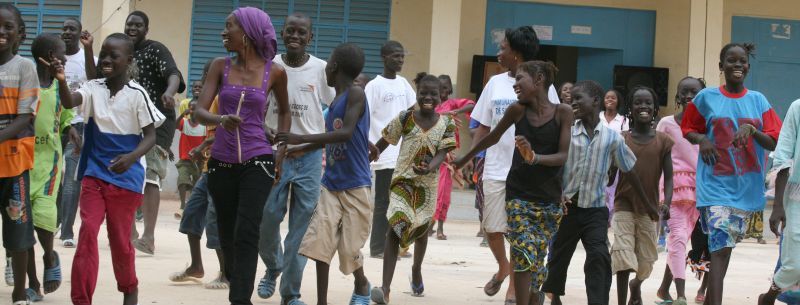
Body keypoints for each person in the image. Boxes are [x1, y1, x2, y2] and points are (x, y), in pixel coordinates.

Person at [56, 32, 165, 305]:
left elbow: (151, 136)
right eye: (103, 54)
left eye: (113, 56)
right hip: (94, 172)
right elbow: (69, 102)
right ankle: (81, 299)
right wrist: (60, 81)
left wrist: (131, 157)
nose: (106, 59)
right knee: (88, 231)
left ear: (128, 61)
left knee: (119, 239)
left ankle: (129, 288)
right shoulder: (94, 88)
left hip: (126, 177)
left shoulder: (137, 94)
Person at [192, 7, 289, 305]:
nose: (224, 32)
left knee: (247, 230)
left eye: (229, 27)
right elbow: (199, 112)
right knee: (227, 232)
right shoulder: (219, 67)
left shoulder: (274, 71)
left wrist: (280, 153)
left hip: (258, 157)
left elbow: (285, 111)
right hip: (220, 161)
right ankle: (236, 280)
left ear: (246, 34)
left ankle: (239, 300)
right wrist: (220, 120)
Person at [455, 61, 573, 305]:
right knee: (522, 255)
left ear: (538, 80)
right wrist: (464, 159)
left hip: (549, 200)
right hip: (518, 195)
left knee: (537, 264)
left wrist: (534, 157)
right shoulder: (517, 110)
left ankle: (532, 296)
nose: (515, 84)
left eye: (520, 79)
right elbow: (492, 136)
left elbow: (563, 155)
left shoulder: (563, 112)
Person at [681, 42, 782, 305]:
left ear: (748, 66)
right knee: (721, 247)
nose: (738, 65)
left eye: (742, 61)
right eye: (731, 61)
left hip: (745, 189)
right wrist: (702, 139)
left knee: (724, 249)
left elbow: (774, 141)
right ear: (721, 66)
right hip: (713, 185)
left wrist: (752, 130)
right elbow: (688, 127)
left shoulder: (758, 101)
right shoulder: (707, 98)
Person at [275, 43, 373, 305]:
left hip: (356, 184)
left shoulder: (355, 94)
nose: (325, 69)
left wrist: (300, 135)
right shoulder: (335, 103)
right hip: (330, 184)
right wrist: (299, 148)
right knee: (320, 244)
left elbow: (346, 133)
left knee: (350, 248)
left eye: (328, 64)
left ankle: (362, 285)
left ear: (333, 68)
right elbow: (328, 140)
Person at [470, 25, 560, 304]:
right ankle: (503, 268)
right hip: (495, 168)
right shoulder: (494, 84)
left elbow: (554, 126)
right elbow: (483, 126)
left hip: (528, 173)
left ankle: (514, 290)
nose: (498, 53)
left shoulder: (546, 87)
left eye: (503, 48)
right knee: (493, 227)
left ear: (517, 53)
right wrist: (475, 157)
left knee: (519, 232)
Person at [85, 10, 185, 255]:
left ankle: (148, 238)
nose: (132, 28)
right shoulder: (116, 51)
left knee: (150, 176)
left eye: (138, 25)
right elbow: (94, 78)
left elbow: (174, 74)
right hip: (125, 124)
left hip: (156, 124)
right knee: (125, 171)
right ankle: (129, 233)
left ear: (146, 29)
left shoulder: (156, 49)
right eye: (129, 24)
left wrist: (169, 93)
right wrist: (89, 50)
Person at [256, 12, 335, 305]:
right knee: (267, 220)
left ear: (310, 38)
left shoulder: (321, 69)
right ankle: (273, 265)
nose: (296, 37)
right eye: (291, 31)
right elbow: (256, 105)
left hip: (311, 158)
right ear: (282, 33)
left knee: (301, 231)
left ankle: (291, 294)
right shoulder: (270, 65)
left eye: (302, 33)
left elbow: (335, 104)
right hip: (274, 155)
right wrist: (263, 129)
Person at [541, 80, 637, 305]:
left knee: (599, 256)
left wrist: (643, 198)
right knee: (558, 256)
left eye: (578, 98)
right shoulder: (567, 133)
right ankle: (554, 296)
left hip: (595, 209)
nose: (573, 102)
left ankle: (598, 300)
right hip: (567, 207)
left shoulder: (612, 137)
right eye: (571, 98)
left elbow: (629, 167)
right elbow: (556, 167)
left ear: (595, 101)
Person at [369, 74, 456, 303]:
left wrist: (430, 168)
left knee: (421, 230)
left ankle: (416, 269)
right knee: (395, 225)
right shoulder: (406, 118)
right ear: (416, 94)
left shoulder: (447, 123)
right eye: (423, 93)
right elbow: (386, 140)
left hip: (427, 186)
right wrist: (371, 154)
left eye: (433, 94)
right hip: (402, 182)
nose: (427, 97)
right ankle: (385, 288)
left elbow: (442, 153)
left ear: (441, 96)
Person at [611, 86, 674, 305]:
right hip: (624, 205)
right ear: (630, 108)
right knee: (622, 256)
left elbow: (668, 177)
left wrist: (667, 200)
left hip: (651, 208)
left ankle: (636, 285)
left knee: (646, 261)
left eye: (648, 103)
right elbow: (611, 176)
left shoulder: (664, 141)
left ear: (655, 108)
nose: (643, 107)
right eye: (638, 103)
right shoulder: (621, 139)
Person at [24, 33, 74, 302]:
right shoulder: (27, 83)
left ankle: (49, 254)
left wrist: (72, 132)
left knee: (43, 219)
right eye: (61, 52)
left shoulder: (59, 86)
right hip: (22, 163)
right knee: (23, 226)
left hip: (50, 165)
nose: (65, 57)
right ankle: (32, 282)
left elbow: (66, 115)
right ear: (49, 56)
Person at [169, 60, 227, 290]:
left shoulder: (224, 99)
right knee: (191, 214)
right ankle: (196, 266)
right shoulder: (203, 103)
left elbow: (226, 131)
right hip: (207, 168)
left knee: (215, 221)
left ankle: (226, 273)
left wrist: (202, 145)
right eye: (205, 77)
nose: (205, 82)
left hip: (223, 168)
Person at [0, 4, 40, 304]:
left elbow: (25, 117)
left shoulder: (24, 68)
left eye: (7, 27)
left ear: (18, 34)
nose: (1, 32)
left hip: (13, 165)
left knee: (18, 232)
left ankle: (18, 294)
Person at [655, 76, 706, 305]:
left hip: (699, 192)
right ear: (677, 96)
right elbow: (656, 157)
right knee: (676, 239)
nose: (689, 96)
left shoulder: (707, 125)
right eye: (684, 92)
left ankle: (663, 290)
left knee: (682, 239)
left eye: (694, 92)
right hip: (672, 191)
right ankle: (681, 295)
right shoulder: (666, 123)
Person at [366, 40, 417, 259]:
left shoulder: (404, 84)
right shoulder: (374, 86)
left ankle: (396, 245)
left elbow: (412, 111)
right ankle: (378, 247)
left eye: (402, 57)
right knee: (383, 203)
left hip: (402, 154)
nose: (400, 60)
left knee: (402, 201)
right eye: (396, 56)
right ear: (384, 57)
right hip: (383, 154)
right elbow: (365, 117)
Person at [58, 17, 97, 249]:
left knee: (72, 179)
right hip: (56, 123)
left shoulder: (88, 59)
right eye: (64, 29)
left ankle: (67, 231)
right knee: (54, 177)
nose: (67, 32)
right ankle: (54, 220)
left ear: (80, 32)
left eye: (72, 29)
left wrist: (90, 47)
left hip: (79, 123)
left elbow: (95, 82)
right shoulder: (57, 57)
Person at [758, 97, 800, 305]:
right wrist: (778, 206)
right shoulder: (797, 107)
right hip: (796, 196)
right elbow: (783, 156)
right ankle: (770, 296)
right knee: (794, 263)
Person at [431, 74, 474, 240]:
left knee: (443, 193)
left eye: (445, 88)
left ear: (450, 89)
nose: (443, 91)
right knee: (432, 193)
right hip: (432, 155)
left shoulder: (452, 104)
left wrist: (457, 111)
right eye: (439, 88)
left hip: (447, 157)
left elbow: (471, 105)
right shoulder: (432, 108)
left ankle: (439, 227)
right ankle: (429, 226)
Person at [174, 89, 206, 218]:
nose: (192, 111)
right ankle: (182, 205)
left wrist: (202, 157)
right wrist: (182, 114)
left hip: (198, 161)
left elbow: (206, 144)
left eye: (195, 109)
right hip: (185, 159)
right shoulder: (185, 123)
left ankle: (192, 207)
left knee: (197, 184)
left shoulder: (204, 126)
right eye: (190, 109)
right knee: (182, 180)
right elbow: (175, 125)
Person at [601, 89, 629, 221]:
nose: (610, 100)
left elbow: (624, 140)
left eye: (613, 98)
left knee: (612, 190)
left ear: (618, 101)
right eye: (607, 98)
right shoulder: (597, 117)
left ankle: (608, 219)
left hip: (615, 162)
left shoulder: (623, 120)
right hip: (599, 160)